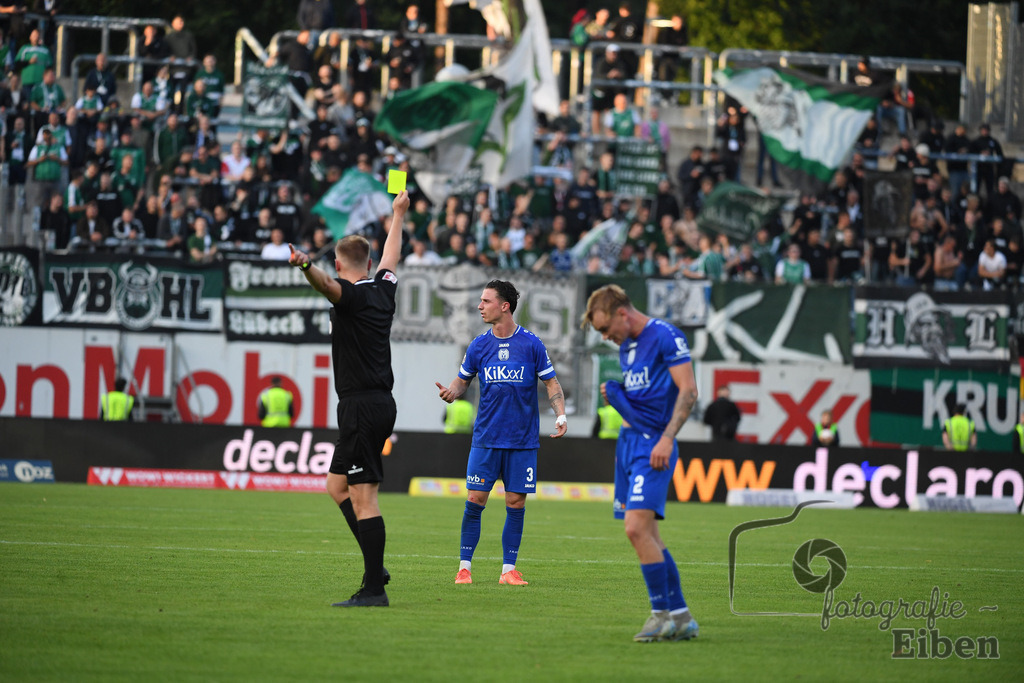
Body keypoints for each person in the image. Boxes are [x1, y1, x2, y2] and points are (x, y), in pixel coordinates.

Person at [287, 190, 409, 607]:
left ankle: (374, 589)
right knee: (336, 486)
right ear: (370, 265)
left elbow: (325, 285)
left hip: (361, 406)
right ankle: (377, 569)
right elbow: (392, 255)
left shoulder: (351, 295)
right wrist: (398, 213)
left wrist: (306, 264)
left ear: (340, 266)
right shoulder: (384, 288)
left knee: (364, 496)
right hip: (376, 404)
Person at [581, 284, 699, 643]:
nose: (606, 337)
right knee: (648, 534)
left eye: (605, 329)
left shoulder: (664, 336)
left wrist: (666, 438)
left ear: (622, 312)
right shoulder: (628, 346)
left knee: (635, 529)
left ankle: (660, 614)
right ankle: (681, 618)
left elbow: (689, 390)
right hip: (629, 446)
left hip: (654, 445)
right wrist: (616, 396)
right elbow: (643, 399)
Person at [435, 280, 567, 587]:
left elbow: (551, 383)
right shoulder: (479, 345)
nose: (480, 306)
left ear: (504, 306)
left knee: (516, 503)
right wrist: (451, 393)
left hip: (522, 441)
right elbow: (461, 381)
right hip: (487, 438)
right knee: (475, 499)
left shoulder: (532, 344)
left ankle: (508, 570)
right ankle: (464, 568)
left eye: (485, 301)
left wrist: (560, 414)